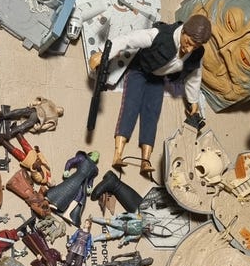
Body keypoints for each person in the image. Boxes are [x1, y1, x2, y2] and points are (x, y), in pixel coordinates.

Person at [89, 14, 212, 175]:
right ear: (183, 31)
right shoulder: (159, 35)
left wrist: (193, 100)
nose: (189, 49)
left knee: (152, 114)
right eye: (188, 43)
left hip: (158, 79)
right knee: (130, 107)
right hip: (140, 71)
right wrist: (104, 53)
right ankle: (118, 154)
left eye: (194, 47)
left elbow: (194, 75)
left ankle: (145, 160)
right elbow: (129, 39)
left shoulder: (196, 53)